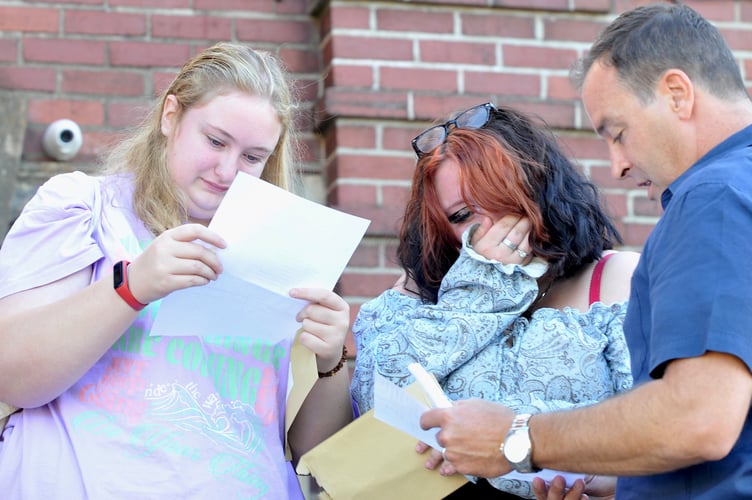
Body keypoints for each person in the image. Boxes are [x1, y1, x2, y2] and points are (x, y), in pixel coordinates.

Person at [419, 3, 752, 500]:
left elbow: (699, 417)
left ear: (678, 94)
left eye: (618, 133)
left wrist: (517, 437)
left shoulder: (714, 198)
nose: (617, 165)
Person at [0, 42, 353, 498]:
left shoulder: (284, 253)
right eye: (215, 141)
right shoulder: (84, 208)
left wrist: (330, 362)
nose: (228, 170)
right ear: (171, 116)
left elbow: (314, 455)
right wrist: (133, 288)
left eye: (252, 157)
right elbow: (13, 374)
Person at [349, 101, 640, 498]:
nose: (487, 226)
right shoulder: (416, 298)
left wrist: (595, 483)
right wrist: (482, 286)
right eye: (462, 215)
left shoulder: (616, 279)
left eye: (498, 199)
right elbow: (373, 396)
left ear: (538, 187)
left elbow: (661, 430)